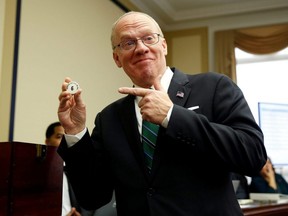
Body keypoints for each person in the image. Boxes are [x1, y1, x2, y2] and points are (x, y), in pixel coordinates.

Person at [57, 11, 267, 216]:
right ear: (117, 58)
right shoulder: (108, 118)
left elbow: (252, 155)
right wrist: (75, 131)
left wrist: (172, 116)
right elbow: (92, 197)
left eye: (149, 38)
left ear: (164, 46)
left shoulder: (214, 87)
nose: (141, 48)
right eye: (128, 43)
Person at [45, 122, 81, 216]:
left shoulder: (74, 172)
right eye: (60, 137)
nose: (64, 141)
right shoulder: (39, 172)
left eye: (67, 138)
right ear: (47, 142)